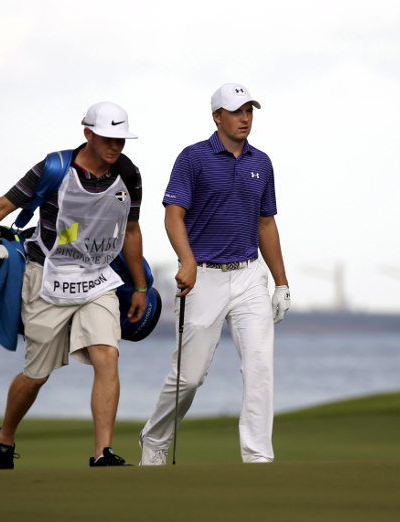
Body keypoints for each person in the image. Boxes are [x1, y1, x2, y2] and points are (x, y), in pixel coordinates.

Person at [0, 101, 147, 469]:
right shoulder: (54, 168)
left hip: (98, 279)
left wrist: (140, 287)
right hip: (48, 277)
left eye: (121, 140)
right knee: (36, 376)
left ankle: (102, 454)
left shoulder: (129, 174)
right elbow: (4, 205)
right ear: (88, 134)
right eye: (108, 138)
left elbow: (130, 229)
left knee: (107, 355)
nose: (115, 146)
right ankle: (3, 438)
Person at [139, 83, 290, 464]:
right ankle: (154, 440)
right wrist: (186, 261)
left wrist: (282, 282)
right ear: (216, 116)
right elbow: (173, 216)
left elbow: (266, 225)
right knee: (189, 377)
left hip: (249, 276)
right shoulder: (193, 159)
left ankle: (258, 457)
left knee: (260, 367)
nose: (245, 118)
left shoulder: (262, 162)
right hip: (203, 277)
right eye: (237, 111)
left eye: (249, 111)